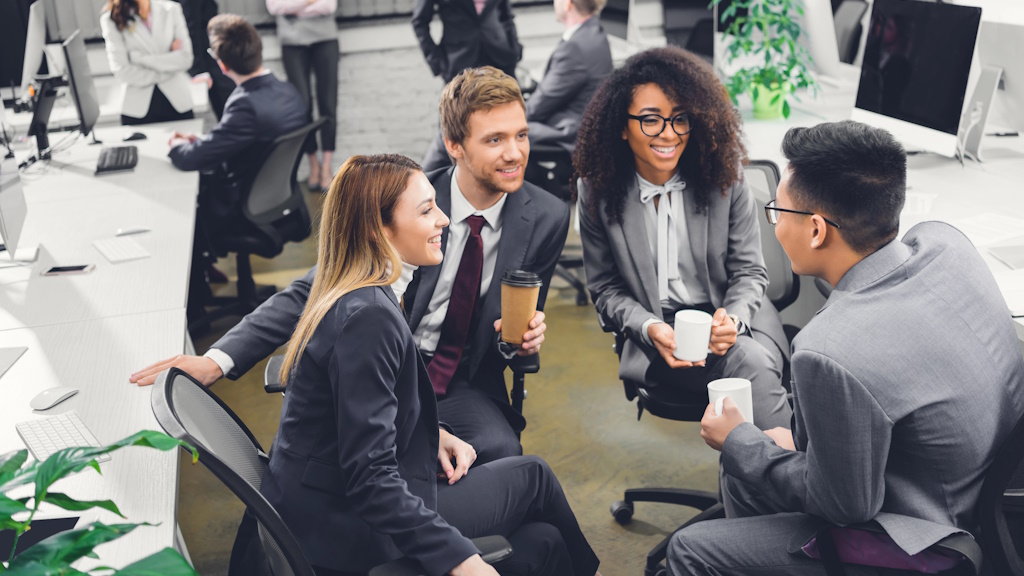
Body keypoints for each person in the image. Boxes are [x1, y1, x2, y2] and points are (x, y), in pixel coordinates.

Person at [132, 66, 570, 466]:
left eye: (522, 135)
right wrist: (216, 361)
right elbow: (316, 287)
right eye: (495, 139)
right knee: (387, 459)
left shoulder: (546, 217)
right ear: (454, 145)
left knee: (502, 452)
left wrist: (522, 342)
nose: (515, 153)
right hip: (385, 368)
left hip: (465, 381)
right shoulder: (408, 201)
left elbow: (515, 329)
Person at [668, 120, 1024, 575]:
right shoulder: (946, 243)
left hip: (924, 539)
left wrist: (743, 442)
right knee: (746, 470)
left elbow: (844, 505)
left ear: (816, 230)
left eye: (778, 211)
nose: (774, 225)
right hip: (979, 494)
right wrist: (776, 451)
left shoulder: (827, 351)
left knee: (690, 547)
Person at [237, 153, 600, 576]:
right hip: (342, 525)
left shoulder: (359, 292)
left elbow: (353, 418)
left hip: (322, 502)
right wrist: (461, 561)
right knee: (535, 478)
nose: (445, 219)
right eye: (427, 210)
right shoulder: (368, 316)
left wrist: (432, 433)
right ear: (379, 229)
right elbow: (371, 481)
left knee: (544, 542)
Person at [574, 46, 792, 430]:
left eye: (679, 119)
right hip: (659, 337)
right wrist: (647, 327)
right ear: (621, 127)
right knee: (753, 370)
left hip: (733, 320)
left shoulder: (724, 179)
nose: (669, 134)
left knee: (752, 364)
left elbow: (750, 272)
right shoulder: (597, 190)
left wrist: (734, 320)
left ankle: (767, 477)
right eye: (651, 121)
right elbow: (606, 290)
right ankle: (790, 478)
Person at [165, 14, 307, 322]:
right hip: (279, 203)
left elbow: (193, 159)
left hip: (240, 209)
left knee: (178, 210)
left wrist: (177, 146)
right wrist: (205, 140)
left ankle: (195, 312)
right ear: (259, 50)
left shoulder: (244, 103)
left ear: (222, 64)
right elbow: (244, 140)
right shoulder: (287, 91)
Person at [413, 0, 523, 171]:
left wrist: (514, 47)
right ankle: (427, 181)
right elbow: (419, 21)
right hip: (459, 62)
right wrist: (437, 62)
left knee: (507, 127)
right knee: (450, 132)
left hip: (500, 58)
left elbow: (505, 13)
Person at [266, 0, 339, 192]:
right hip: (292, 41)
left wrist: (293, 6)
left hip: (326, 38)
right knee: (302, 106)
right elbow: (275, 7)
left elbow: (329, 6)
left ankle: (326, 168)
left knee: (328, 104)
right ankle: (313, 164)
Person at [525, 0, 612, 154]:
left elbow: (538, 106)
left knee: (505, 130)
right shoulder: (593, 31)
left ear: (568, 4)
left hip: (569, 132)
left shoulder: (575, 47)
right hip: (580, 122)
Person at [100, 0, 195, 125]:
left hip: (178, 103)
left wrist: (140, 59)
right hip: (136, 109)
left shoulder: (171, 9)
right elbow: (122, 71)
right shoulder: (111, 18)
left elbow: (185, 59)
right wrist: (168, 63)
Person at [171, 0, 235, 119]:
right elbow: (191, 27)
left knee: (229, 106)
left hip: (211, 52)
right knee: (228, 105)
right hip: (204, 55)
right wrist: (197, 70)